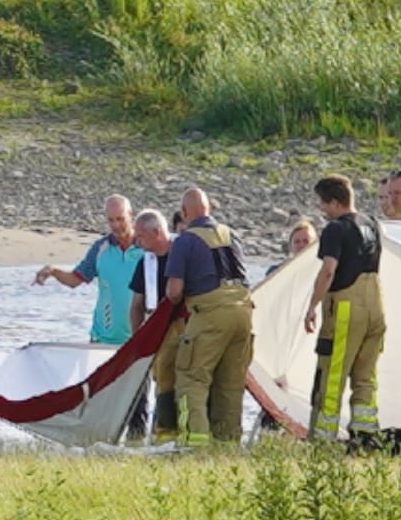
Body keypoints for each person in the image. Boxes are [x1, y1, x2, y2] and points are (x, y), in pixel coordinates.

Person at [165, 188, 255, 446]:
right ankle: (228, 448)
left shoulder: (185, 240)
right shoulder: (231, 235)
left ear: (184, 213)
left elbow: (174, 292)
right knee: (230, 385)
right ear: (209, 210)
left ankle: (194, 445)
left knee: (191, 379)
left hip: (211, 314)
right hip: (243, 313)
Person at [303, 175, 386, 445]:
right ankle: (365, 436)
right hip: (376, 305)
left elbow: (329, 270)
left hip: (346, 308)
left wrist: (313, 306)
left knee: (332, 375)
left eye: (323, 204)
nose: (321, 210)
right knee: (366, 375)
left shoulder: (335, 229)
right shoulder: (372, 225)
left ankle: (322, 440)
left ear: (335, 202)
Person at [34, 195, 145, 346]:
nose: (116, 225)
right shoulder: (100, 249)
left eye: (120, 219)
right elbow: (74, 280)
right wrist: (53, 271)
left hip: (140, 340)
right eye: (111, 220)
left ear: (131, 215)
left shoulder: (147, 249)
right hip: (102, 339)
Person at [128, 209, 188, 443]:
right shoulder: (145, 262)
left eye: (141, 236)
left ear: (156, 232)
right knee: (162, 383)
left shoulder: (184, 251)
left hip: (184, 327)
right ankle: (160, 433)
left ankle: (178, 432)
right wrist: (138, 341)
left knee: (183, 383)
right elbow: (137, 305)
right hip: (159, 332)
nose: (137, 241)